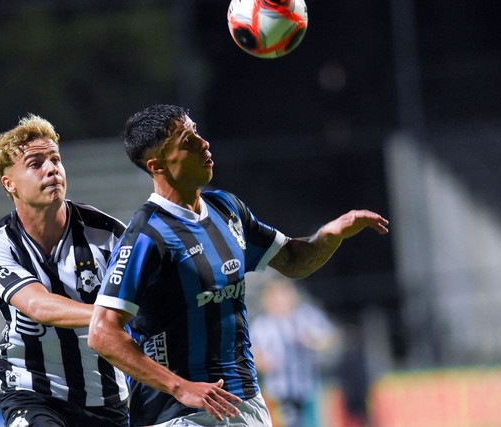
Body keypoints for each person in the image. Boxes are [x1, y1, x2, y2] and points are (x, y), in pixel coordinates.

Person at [88, 104, 389, 427]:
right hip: (180, 415)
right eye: (187, 141)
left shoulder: (227, 209)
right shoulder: (146, 235)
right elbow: (103, 332)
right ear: (157, 164)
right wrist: (181, 387)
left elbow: (292, 260)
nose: (203, 144)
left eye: (197, 133)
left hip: (246, 406)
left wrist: (330, 235)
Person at [0, 115, 129, 427]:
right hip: (33, 391)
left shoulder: (107, 232)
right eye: (35, 163)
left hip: (107, 399)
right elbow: (38, 306)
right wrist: (114, 312)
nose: (51, 168)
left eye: (55, 158)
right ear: (9, 183)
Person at [250, 279, 339, 427]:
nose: (279, 300)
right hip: (278, 393)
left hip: (309, 389)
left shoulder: (306, 316)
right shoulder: (261, 325)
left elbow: (330, 339)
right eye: (273, 296)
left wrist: (313, 341)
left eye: (283, 294)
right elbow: (251, 356)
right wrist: (263, 362)